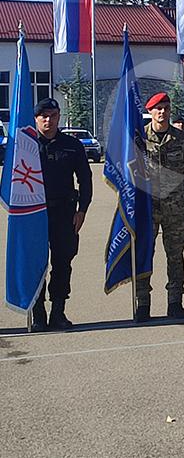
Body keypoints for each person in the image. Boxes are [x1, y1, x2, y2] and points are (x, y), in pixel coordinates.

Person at [29, 98, 92, 332]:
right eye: (43, 115)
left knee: (62, 263)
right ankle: (38, 313)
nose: (48, 120)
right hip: (34, 214)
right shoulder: (26, 145)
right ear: (36, 118)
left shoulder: (71, 145)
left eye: (53, 115)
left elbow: (85, 178)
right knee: (36, 264)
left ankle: (58, 312)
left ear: (59, 117)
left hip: (65, 213)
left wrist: (82, 210)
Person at [139, 92, 184, 321]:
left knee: (175, 256)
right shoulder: (139, 137)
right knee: (145, 254)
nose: (162, 112)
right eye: (158, 108)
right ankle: (143, 303)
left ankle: (175, 302)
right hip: (147, 206)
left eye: (165, 107)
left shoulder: (182, 139)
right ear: (150, 111)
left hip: (174, 206)